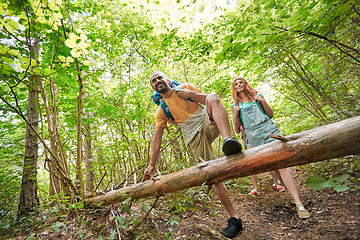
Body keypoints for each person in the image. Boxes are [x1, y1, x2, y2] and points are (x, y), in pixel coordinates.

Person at [143, 71, 243, 238]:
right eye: (154, 81)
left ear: (166, 79)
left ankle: (228, 141)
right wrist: (151, 165)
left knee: (212, 95)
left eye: (159, 77)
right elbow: (157, 138)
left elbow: (211, 101)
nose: (157, 81)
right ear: (153, 87)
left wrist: (192, 94)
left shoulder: (185, 88)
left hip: (206, 121)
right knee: (213, 175)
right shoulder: (162, 110)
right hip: (193, 137)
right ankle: (235, 219)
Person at [230, 77, 310, 219]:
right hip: (254, 138)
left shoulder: (257, 97)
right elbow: (237, 130)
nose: (238, 85)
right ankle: (286, 190)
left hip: (270, 132)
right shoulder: (235, 105)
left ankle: (298, 203)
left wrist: (263, 101)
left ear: (245, 84)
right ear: (234, 88)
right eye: (236, 84)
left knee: (283, 166)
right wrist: (235, 114)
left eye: (240, 82)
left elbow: (270, 114)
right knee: (272, 165)